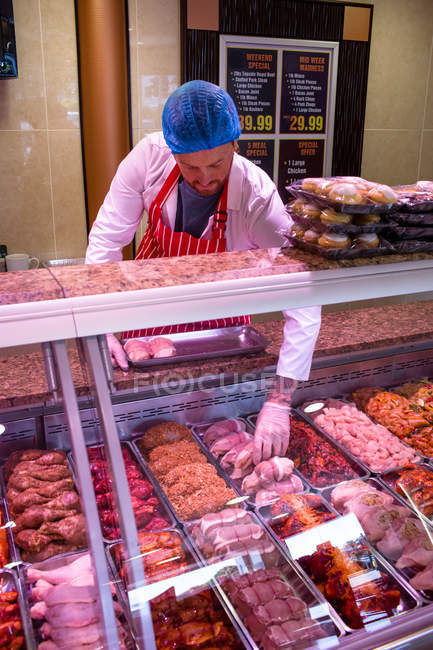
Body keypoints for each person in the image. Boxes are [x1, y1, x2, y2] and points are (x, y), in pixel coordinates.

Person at [86, 80, 321, 463]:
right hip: (150, 307)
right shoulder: (148, 157)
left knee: (208, 416)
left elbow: (304, 298)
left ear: (235, 145)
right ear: (172, 151)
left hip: (220, 321)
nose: (205, 177)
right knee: (143, 424)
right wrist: (103, 323)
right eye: (190, 166)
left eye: (216, 163)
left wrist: (279, 400)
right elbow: (107, 242)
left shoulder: (258, 196)